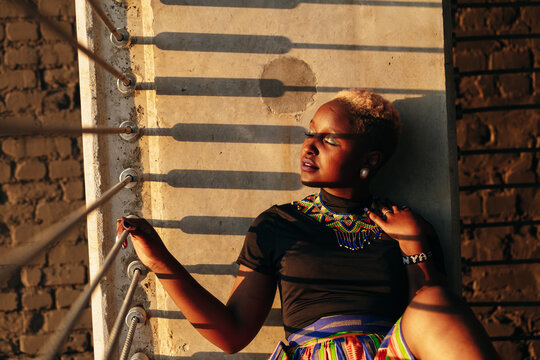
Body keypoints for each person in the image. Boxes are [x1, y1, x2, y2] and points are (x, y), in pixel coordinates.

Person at [117, 89, 500, 359]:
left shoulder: (407, 225)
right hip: (312, 353)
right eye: (309, 133)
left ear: (369, 159)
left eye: (329, 139)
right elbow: (231, 334)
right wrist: (160, 261)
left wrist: (414, 245)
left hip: (390, 351)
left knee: (436, 299)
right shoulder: (278, 224)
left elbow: (435, 324)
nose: (309, 146)